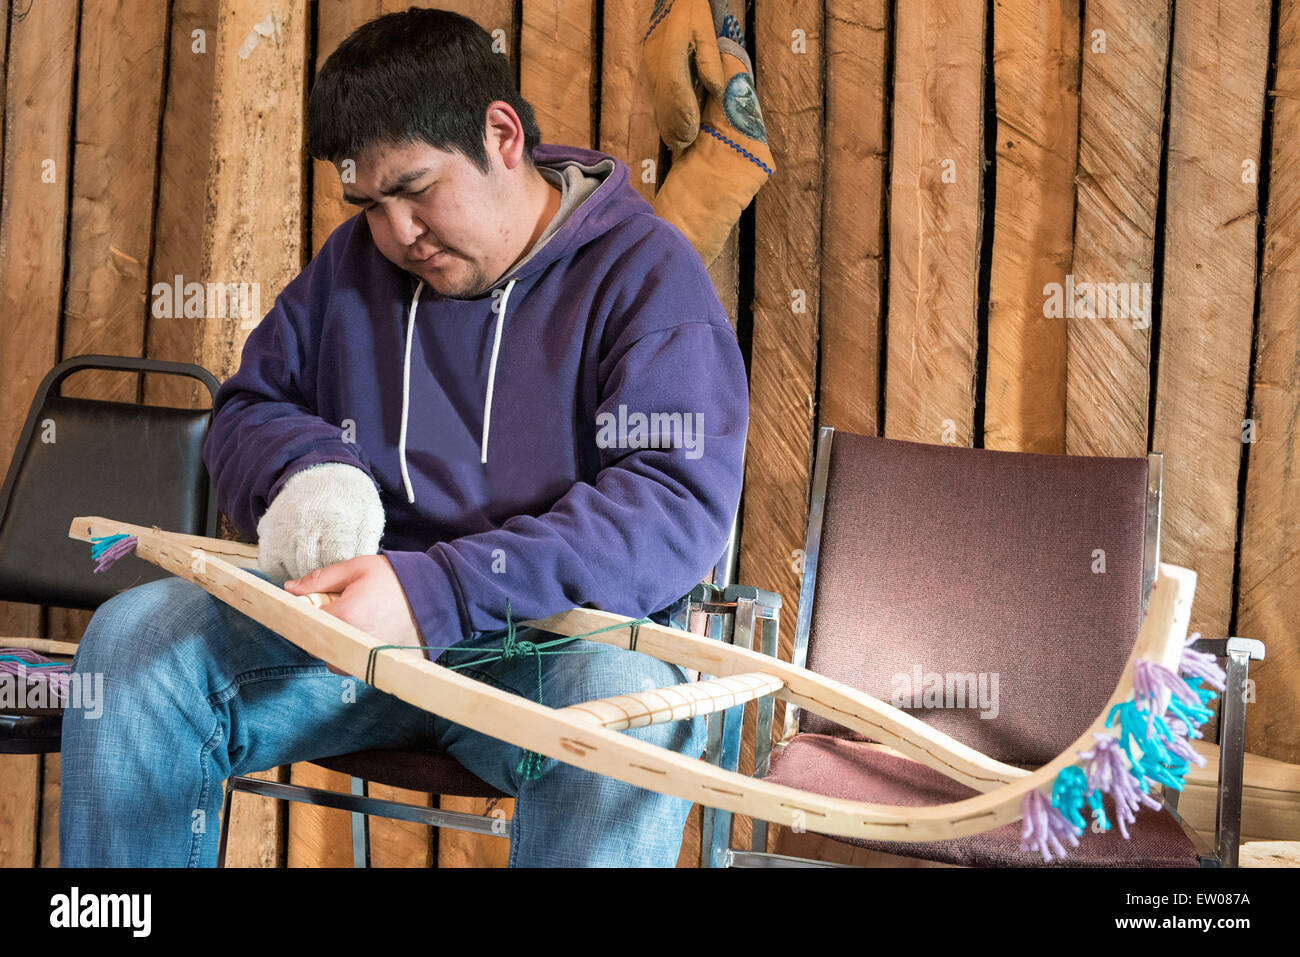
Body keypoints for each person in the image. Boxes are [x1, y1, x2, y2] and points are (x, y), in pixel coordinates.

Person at [58, 7, 749, 867]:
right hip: (349, 635)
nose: (397, 234)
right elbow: (248, 408)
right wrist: (311, 474)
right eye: (368, 202)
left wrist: (437, 592)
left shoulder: (647, 275)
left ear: (501, 134)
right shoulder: (355, 265)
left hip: (551, 647)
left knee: (628, 720)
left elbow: (672, 505)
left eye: (416, 190)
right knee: (134, 642)